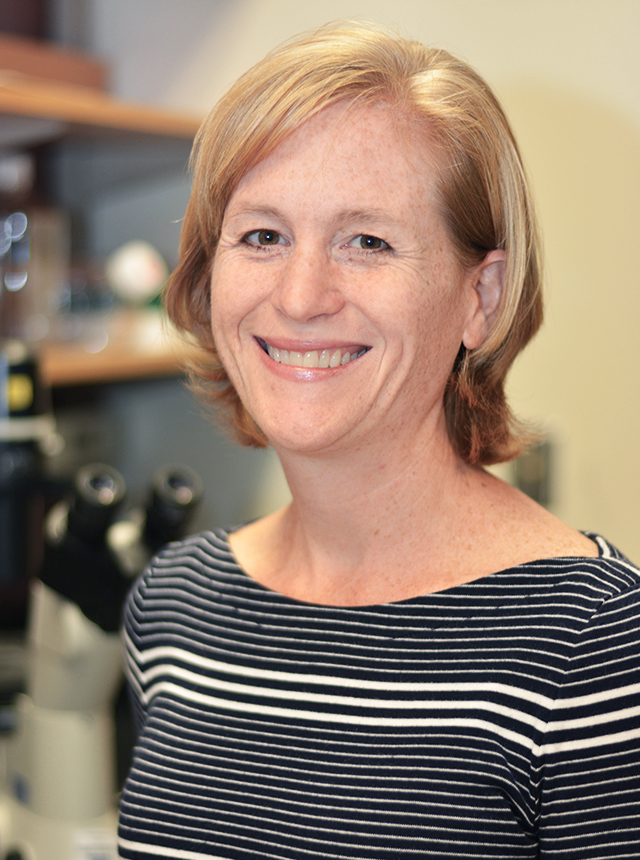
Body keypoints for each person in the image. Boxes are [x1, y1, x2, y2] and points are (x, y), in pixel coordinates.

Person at [118, 21, 640, 860]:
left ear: (483, 296)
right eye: (262, 235)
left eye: (367, 241)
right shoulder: (175, 609)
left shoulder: (593, 646)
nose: (300, 296)